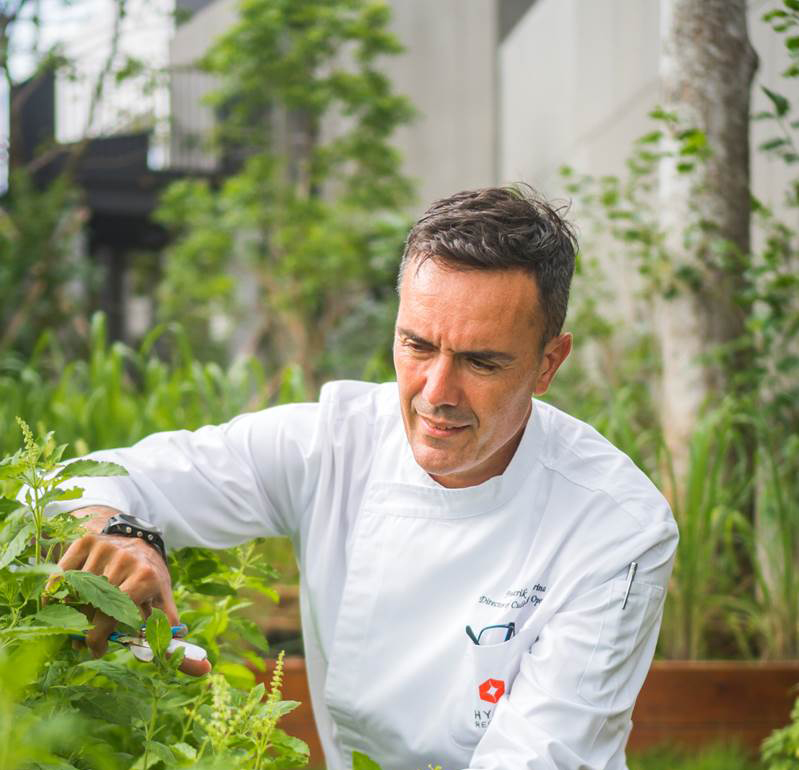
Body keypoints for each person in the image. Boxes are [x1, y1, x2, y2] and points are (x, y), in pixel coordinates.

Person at [50, 186, 678, 770]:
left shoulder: (615, 526)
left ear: (548, 364)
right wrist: (121, 535)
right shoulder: (336, 441)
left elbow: (541, 755)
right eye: (418, 346)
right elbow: (78, 481)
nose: (437, 393)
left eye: (481, 361)